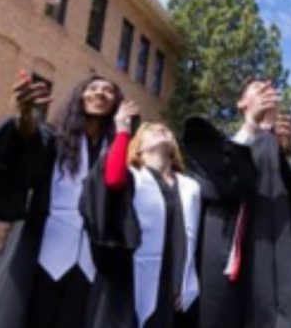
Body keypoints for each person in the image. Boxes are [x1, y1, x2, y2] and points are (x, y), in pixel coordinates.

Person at [0, 71, 123, 328]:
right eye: (93, 88)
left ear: (116, 103)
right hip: (45, 249)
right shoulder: (56, 137)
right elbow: (30, 140)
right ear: (81, 97)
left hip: (90, 259)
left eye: (108, 90)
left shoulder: (116, 149)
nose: (100, 92)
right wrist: (24, 115)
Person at [182, 76, 291, 328]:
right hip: (227, 248)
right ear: (241, 103)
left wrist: (289, 154)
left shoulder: (284, 148)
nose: (266, 94)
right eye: (258, 90)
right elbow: (218, 187)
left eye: (270, 91)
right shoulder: (218, 147)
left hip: (270, 252)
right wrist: (251, 127)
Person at [80, 104, 203, 328]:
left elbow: (191, 241)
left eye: (165, 129)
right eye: (151, 130)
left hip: (170, 290)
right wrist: (122, 131)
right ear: (138, 148)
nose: (161, 129)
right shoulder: (133, 178)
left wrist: (182, 282)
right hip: (127, 282)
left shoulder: (190, 187)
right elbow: (112, 179)